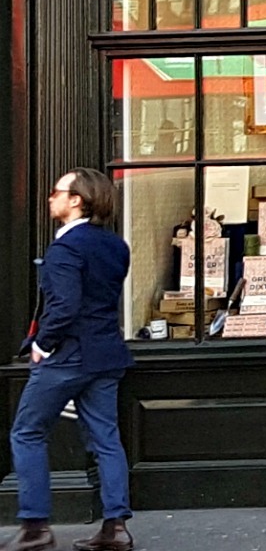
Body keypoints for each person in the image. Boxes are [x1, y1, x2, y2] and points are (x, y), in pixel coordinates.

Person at [10, 170, 135, 551]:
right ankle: (115, 527)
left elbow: (64, 306)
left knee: (27, 432)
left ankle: (34, 527)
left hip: (68, 355)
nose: (51, 198)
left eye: (56, 192)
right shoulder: (116, 246)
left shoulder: (65, 249)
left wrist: (42, 345)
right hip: (106, 353)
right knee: (106, 440)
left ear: (76, 200)